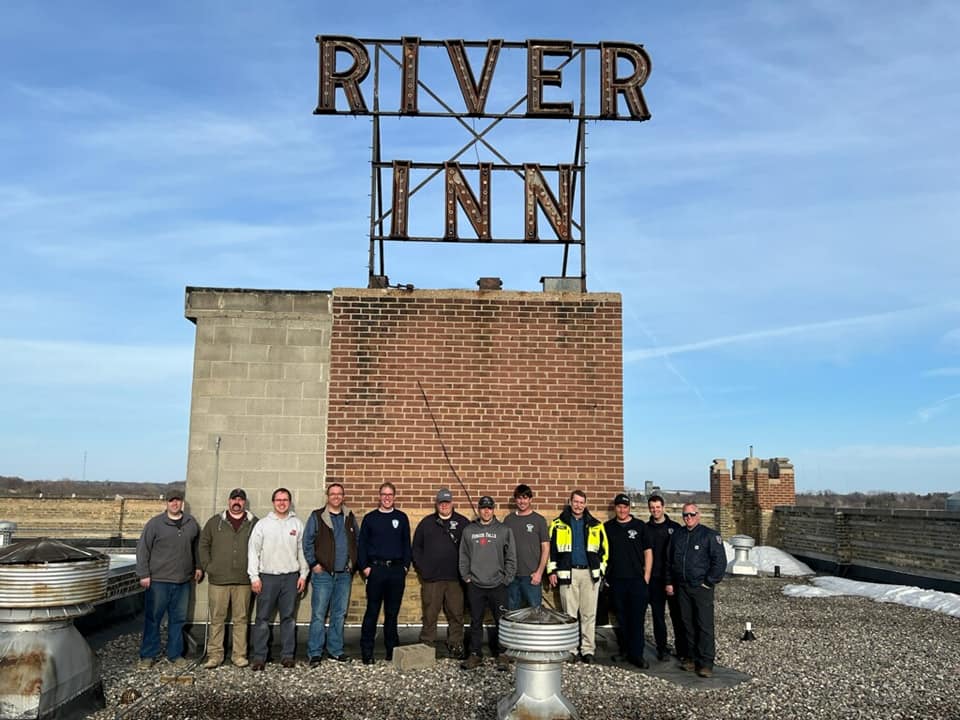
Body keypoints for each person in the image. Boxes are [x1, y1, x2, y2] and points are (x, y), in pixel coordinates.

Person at [135, 489, 202, 668]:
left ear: (182, 502)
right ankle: (148, 655)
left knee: (178, 620)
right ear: (166, 503)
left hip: (182, 582)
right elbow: (143, 549)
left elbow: (197, 547)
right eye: (171, 500)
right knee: (153, 619)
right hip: (158, 581)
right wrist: (143, 574)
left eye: (178, 500)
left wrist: (198, 566)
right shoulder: (155, 524)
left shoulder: (191, 523)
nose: (175, 503)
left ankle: (175, 654)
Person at [247, 487, 308, 671]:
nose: (282, 503)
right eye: (278, 500)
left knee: (288, 618)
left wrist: (303, 575)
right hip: (267, 578)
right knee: (262, 618)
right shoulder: (263, 525)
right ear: (273, 502)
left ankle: (288, 656)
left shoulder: (297, 524)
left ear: (289, 502)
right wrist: (254, 577)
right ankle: (260, 657)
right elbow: (253, 551)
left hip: (290, 578)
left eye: (285, 500)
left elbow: (302, 551)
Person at [198, 487, 258, 669]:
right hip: (218, 580)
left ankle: (239, 655)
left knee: (241, 619)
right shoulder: (215, 522)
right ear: (229, 501)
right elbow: (203, 544)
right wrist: (208, 566)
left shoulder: (254, 523)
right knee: (217, 619)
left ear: (244, 502)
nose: (237, 502)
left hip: (243, 580)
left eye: (240, 499)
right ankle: (215, 655)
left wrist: (255, 572)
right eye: (234, 499)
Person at [666, 502, 726, 678]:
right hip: (682, 586)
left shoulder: (710, 536)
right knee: (687, 624)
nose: (688, 518)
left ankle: (706, 662)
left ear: (698, 515)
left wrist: (708, 582)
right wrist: (669, 581)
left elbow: (719, 562)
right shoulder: (678, 535)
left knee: (704, 625)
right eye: (685, 515)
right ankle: (691, 658)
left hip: (701, 587)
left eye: (692, 514)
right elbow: (669, 561)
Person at [547, 489, 608, 663]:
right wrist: (552, 571)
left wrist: (600, 571)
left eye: (581, 502)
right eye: (575, 502)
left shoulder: (596, 525)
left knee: (589, 614)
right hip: (568, 574)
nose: (578, 505)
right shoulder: (557, 524)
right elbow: (551, 550)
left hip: (589, 574)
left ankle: (588, 650)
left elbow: (605, 551)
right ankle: (571, 649)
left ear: (585, 504)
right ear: (570, 502)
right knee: (569, 615)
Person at [303, 482, 359, 666]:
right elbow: (307, 542)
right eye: (333, 493)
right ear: (327, 496)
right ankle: (315, 652)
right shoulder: (317, 516)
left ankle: (336, 650)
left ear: (343, 496)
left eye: (339, 494)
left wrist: (352, 564)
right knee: (319, 614)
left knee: (339, 614)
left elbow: (357, 541)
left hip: (344, 575)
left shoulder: (349, 517)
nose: (336, 496)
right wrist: (314, 564)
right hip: (323, 575)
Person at [458, 495, 516, 670]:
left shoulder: (504, 530)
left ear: (493, 509)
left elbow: (511, 557)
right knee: (475, 621)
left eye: (489, 508)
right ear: (479, 509)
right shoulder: (469, 531)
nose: (486, 511)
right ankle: (475, 654)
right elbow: (463, 556)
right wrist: (466, 576)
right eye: (483, 508)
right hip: (475, 584)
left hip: (498, 584)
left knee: (502, 622)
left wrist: (507, 578)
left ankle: (503, 654)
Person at [358, 482, 412, 665]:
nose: (387, 498)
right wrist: (365, 568)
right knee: (372, 612)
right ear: (379, 496)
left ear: (394, 497)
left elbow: (406, 544)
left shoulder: (401, 518)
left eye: (390, 494)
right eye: (384, 494)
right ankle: (367, 652)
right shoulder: (370, 518)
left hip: (396, 571)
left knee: (392, 613)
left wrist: (405, 567)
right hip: (376, 570)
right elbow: (362, 545)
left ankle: (392, 651)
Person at [412, 487, 469, 658]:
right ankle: (427, 644)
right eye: (441, 502)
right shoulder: (426, 523)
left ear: (452, 503)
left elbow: (470, 549)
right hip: (432, 579)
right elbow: (416, 548)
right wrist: (423, 569)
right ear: (436, 504)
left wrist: (466, 571)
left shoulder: (463, 523)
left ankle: (456, 644)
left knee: (456, 614)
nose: (444, 505)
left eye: (447, 502)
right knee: (430, 614)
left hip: (455, 579)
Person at [603, 493, 652, 669]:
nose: (622, 510)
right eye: (619, 507)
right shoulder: (607, 527)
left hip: (637, 580)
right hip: (616, 580)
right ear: (615, 508)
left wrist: (646, 576)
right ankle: (624, 651)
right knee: (621, 618)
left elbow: (648, 552)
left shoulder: (640, 526)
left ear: (629, 508)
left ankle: (637, 654)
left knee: (636, 619)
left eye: (625, 507)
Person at [646, 494, 688, 662]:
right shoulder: (645, 529)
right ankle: (662, 648)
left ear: (663, 507)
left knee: (677, 616)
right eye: (652, 507)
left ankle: (682, 650)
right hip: (655, 579)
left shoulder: (675, 528)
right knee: (658, 616)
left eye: (658, 507)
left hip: (672, 579)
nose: (655, 510)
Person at [502, 484, 550, 610]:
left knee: (535, 613)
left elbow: (546, 548)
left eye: (525, 498)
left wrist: (539, 573)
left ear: (530, 499)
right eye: (519, 498)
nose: (522, 501)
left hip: (532, 576)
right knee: (512, 614)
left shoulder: (539, 520)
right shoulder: (508, 520)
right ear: (515, 500)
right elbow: (503, 547)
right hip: (512, 576)